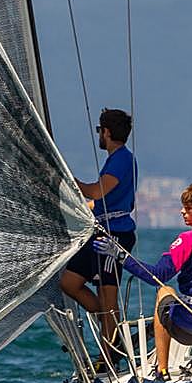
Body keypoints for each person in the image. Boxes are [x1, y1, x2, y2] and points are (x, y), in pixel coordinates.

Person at [120, 182, 192, 380]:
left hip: (189, 326)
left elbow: (158, 275)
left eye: (188, 208)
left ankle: (162, 370)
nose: (182, 211)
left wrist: (123, 258)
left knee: (165, 291)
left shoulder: (188, 239)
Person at [60, 108, 137, 351]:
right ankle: (107, 320)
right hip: (101, 230)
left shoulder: (122, 159)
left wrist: (68, 181)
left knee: (108, 293)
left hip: (115, 235)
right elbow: (101, 200)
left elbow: (96, 191)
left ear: (107, 132)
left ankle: (110, 353)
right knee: (69, 283)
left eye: (99, 131)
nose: (99, 136)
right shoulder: (115, 160)